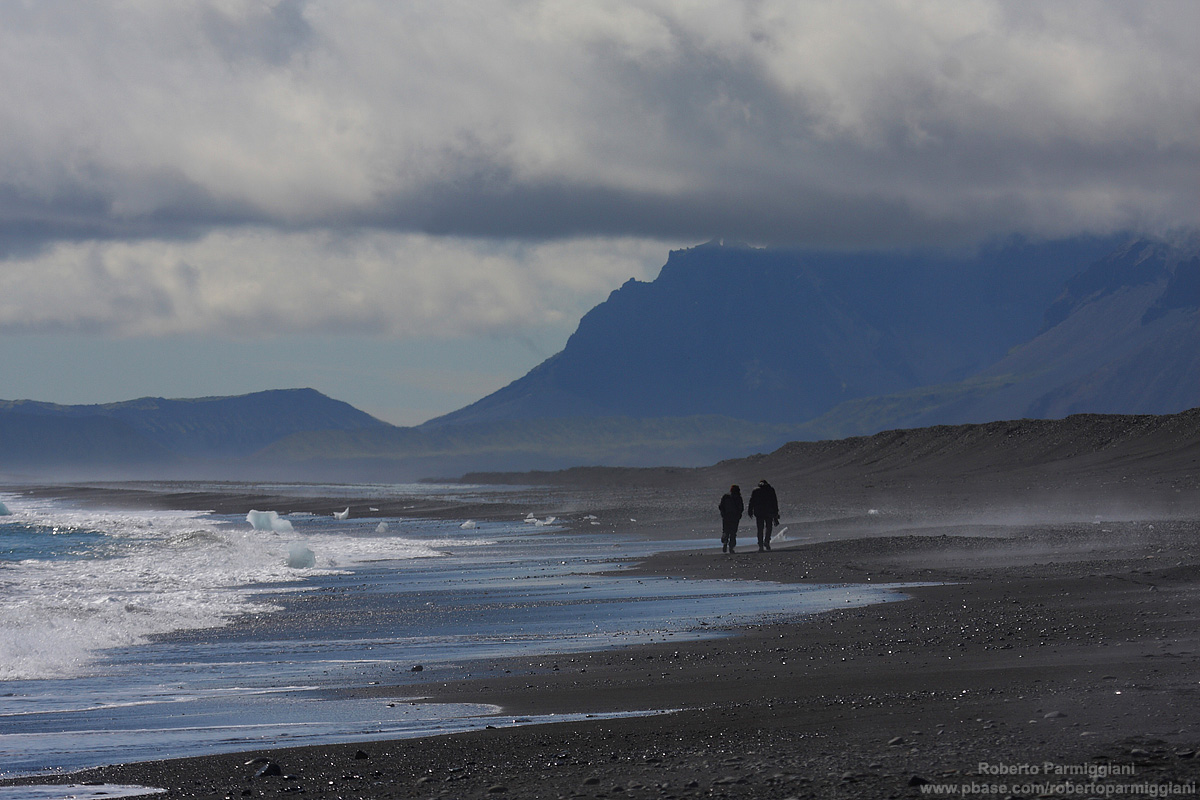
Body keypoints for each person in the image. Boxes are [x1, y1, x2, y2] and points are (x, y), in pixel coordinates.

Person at [747, 479, 780, 551]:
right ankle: (767, 541)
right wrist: (776, 513)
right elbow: (774, 502)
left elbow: (751, 502)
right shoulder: (770, 490)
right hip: (769, 512)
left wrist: (750, 511)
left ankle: (761, 545)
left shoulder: (756, 491)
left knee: (760, 529)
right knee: (769, 528)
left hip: (759, 513)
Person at [718, 484, 743, 553]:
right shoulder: (738, 497)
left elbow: (720, 506)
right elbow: (741, 507)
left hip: (726, 517)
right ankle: (731, 548)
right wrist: (739, 514)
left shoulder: (725, 496)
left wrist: (723, 513)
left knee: (725, 531)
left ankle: (725, 541)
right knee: (733, 533)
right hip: (735, 517)